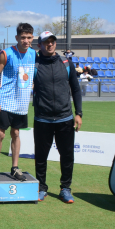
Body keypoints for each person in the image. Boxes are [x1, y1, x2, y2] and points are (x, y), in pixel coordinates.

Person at [32, 31, 82, 203]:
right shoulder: (34, 63)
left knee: (67, 156)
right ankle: (42, 187)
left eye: (52, 41)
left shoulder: (66, 63)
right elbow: (21, 83)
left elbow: (75, 89)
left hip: (65, 118)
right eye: (46, 42)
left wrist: (79, 113)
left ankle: (65, 188)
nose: (50, 44)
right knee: (41, 156)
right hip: (42, 119)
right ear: (39, 45)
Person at [0, 22, 37, 182]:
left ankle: (15, 168)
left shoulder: (33, 53)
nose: (26, 40)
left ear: (32, 38)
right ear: (17, 37)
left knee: (16, 133)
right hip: (4, 101)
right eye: (23, 37)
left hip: (22, 103)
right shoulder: (6, 53)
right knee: (0, 134)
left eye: (29, 37)